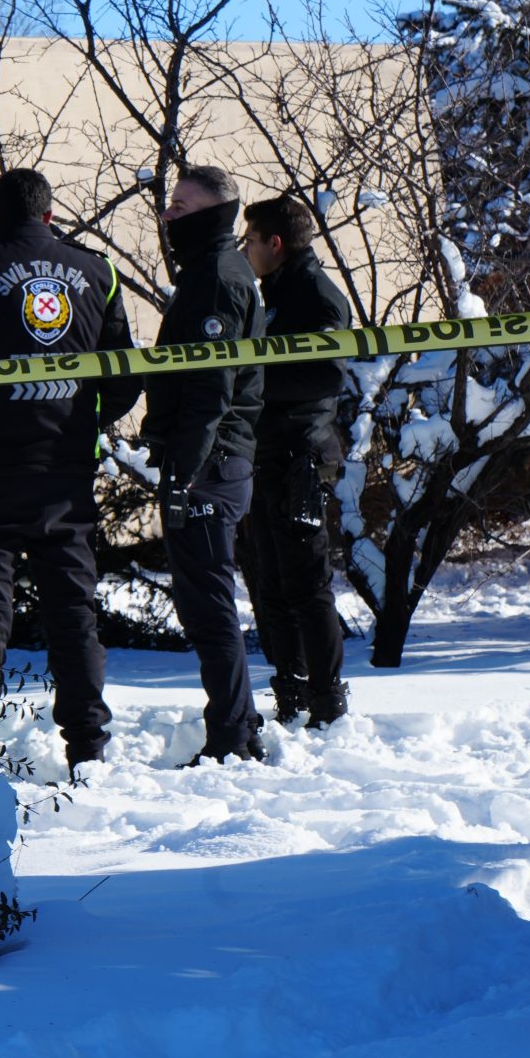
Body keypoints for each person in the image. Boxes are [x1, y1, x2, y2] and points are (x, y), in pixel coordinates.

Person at [0, 169, 140, 767]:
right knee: (73, 614)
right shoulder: (98, 271)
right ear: (48, 215)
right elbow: (124, 377)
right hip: (66, 476)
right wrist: (85, 423)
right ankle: (88, 747)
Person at [142, 163, 268, 765]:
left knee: (210, 607)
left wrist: (184, 471)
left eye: (181, 206)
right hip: (213, 460)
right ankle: (238, 725)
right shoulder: (211, 270)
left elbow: (212, 386)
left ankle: (232, 740)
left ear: (215, 213)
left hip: (210, 465)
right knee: (206, 602)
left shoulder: (217, 277)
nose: (168, 215)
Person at [238, 195, 354, 729]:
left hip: (301, 454)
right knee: (269, 582)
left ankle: (327, 701)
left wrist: (254, 380)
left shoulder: (313, 293)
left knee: (306, 583)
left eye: (252, 240)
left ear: (275, 244)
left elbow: (328, 372)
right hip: (269, 451)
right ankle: (291, 692)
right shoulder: (275, 294)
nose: (247, 250)